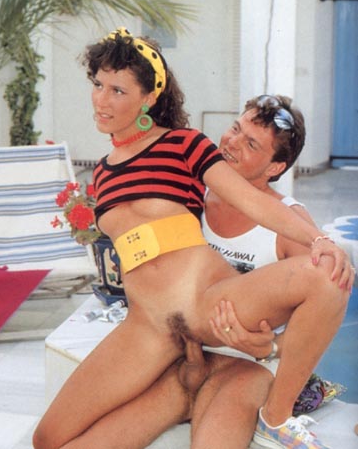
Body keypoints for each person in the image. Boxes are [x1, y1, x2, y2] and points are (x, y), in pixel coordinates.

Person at [32, 28, 353, 449]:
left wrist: (319, 241)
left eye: (117, 90)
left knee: (328, 274)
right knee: (48, 438)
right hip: (149, 329)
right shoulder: (104, 174)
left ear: (148, 99)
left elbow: (253, 202)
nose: (101, 100)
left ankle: (275, 416)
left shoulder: (184, 145)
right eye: (98, 84)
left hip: (207, 306)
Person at [81, 95, 321, 449]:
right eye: (235, 129)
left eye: (251, 144)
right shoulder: (189, 192)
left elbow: (320, 316)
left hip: (244, 366)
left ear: (275, 167)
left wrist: (271, 347)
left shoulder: (289, 222)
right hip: (182, 354)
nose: (232, 143)